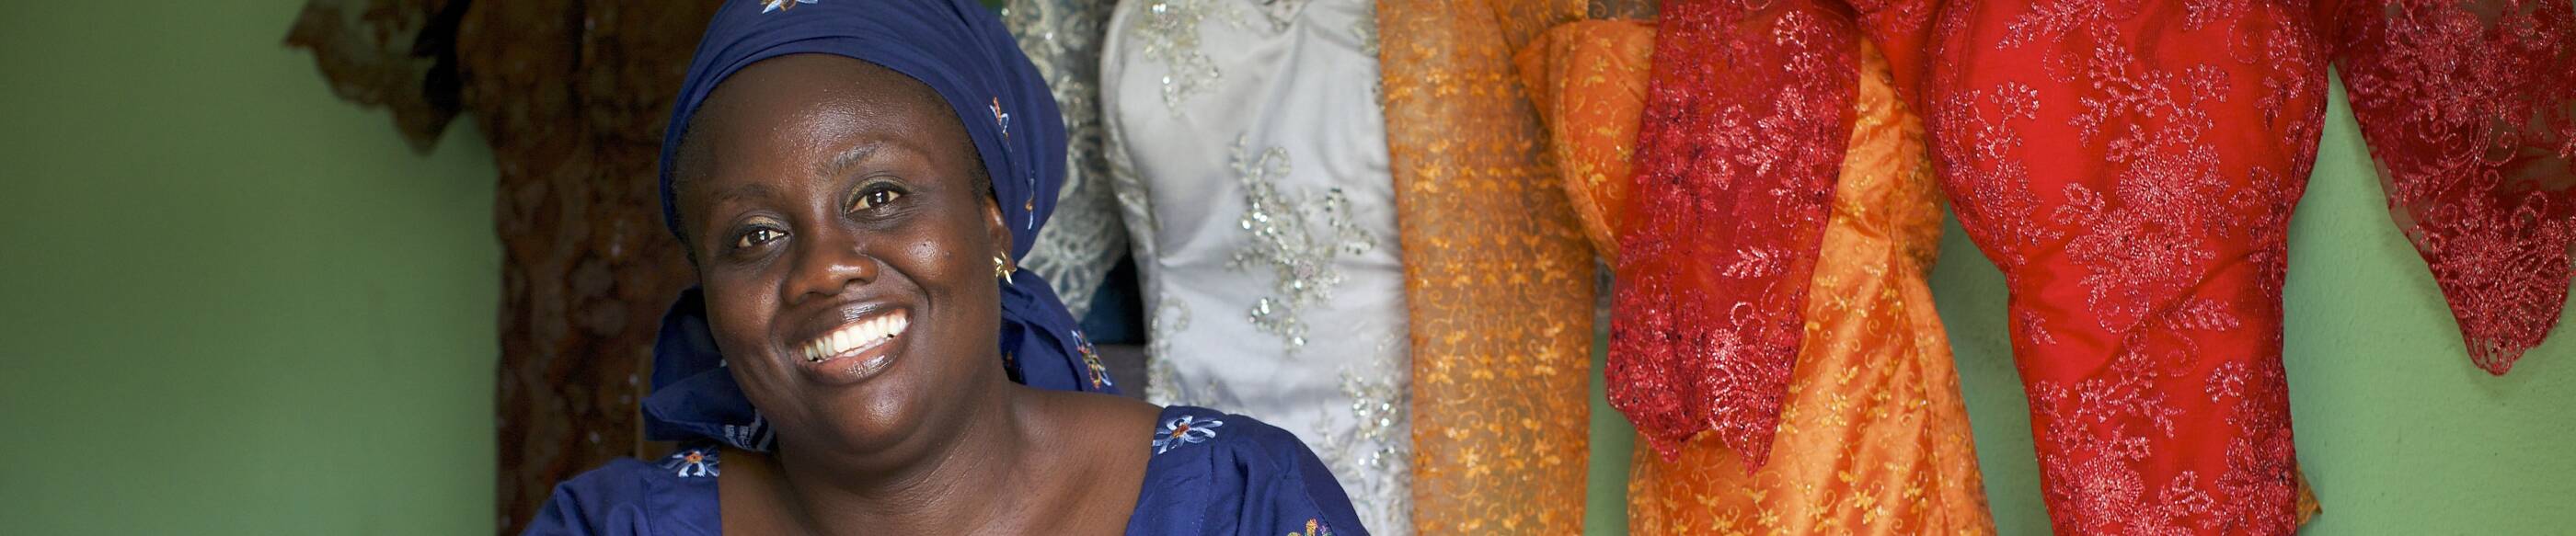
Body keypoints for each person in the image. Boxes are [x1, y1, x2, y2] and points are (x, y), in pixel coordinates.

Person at [522, 0, 1367, 534]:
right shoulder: (613, 525)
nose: (824, 269)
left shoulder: (1236, 503)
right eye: (755, 235)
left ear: (992, 219)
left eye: (879, 196)